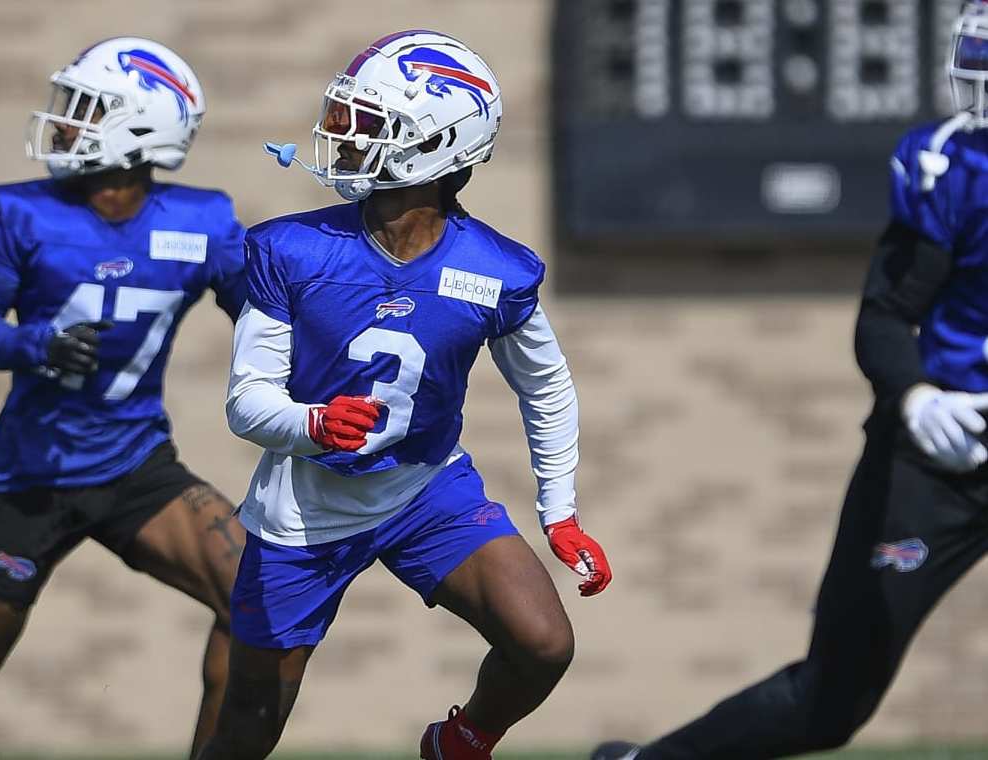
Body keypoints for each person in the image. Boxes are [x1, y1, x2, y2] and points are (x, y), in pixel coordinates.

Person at [192, 30, 611, 760]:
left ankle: (460, 743)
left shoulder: (496, 270)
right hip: (305, 506)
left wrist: (561, 509)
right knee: (248, 728)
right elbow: (246, 402)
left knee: (542, 643)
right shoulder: (291, 249)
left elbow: (546, 386)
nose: (342, 136)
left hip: (424, 490)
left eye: (368, 123)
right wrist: (313, 422)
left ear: (437, 145)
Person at [592, 4, 988, 759]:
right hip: (943, 449)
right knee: (830, 700)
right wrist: (916, 395)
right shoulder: (954, 170)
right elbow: (884, 316)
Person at [0, 37, 249, 760]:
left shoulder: (201, 221)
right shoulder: (21, 212)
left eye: (86, 108)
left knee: (257, 599)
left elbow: (263, 315)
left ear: (142, 127)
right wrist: (33, 343)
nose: (64, 122)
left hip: (137, 465)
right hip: (33, 475)